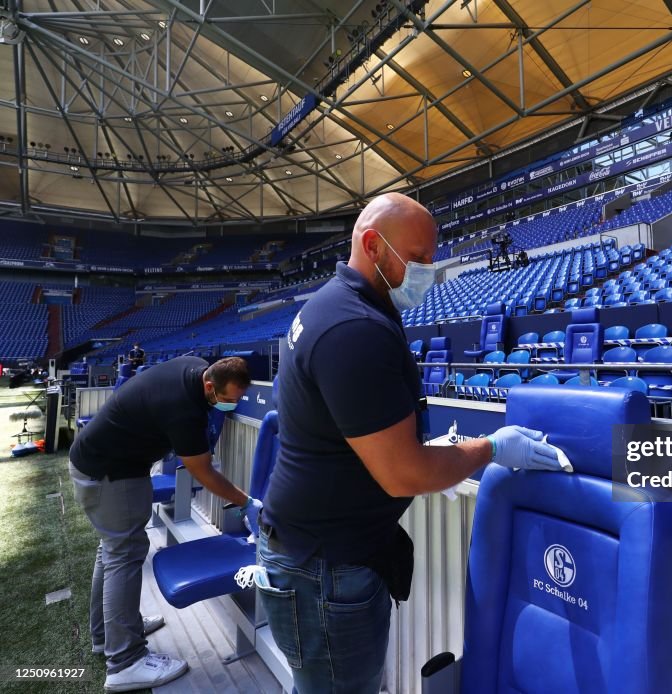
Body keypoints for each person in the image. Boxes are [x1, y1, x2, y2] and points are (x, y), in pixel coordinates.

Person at [260, 192, 563, 694]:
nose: (429, 268)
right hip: (325, 569)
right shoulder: (354, 326)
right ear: (374, 246)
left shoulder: (335, 305)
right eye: (418, 257)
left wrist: (428, 451)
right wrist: (489, 449)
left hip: (311, 554)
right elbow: (404, 473)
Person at [68, 356, 260, 692]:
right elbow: (203, 471)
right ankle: (125, 661)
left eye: (237, 400)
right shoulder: (182, 409)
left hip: (104, 464)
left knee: (111, 551)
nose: (231, 405)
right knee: (123, 555)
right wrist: (246, 502)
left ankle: (109, 634)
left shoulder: (196, 366)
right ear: (209, 385)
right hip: (109, 473)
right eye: (227, 399)